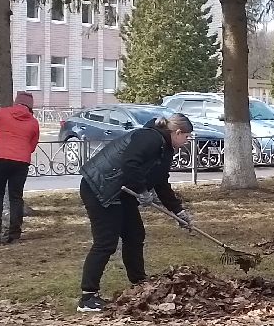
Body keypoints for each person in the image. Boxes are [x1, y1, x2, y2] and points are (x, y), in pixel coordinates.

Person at [76, 113, 195, 313]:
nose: (187, 140)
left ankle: (139, 283)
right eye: (187, 136)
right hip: (100, 188)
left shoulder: (165, 149)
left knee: (135, 235)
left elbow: (161, 182)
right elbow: (130, 163)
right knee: (106, 242)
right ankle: (88, 297)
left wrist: (179, 211)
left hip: (122, 191)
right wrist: (142, 191)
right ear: (177, 132)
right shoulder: (149, 138)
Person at [0, 90, 41, 244]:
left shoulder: (1, 113)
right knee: (16, 197)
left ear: (16, 102)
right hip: (21, 161)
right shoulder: (33, 122)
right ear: (30, 106)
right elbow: (32, 146)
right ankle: (14, 234)